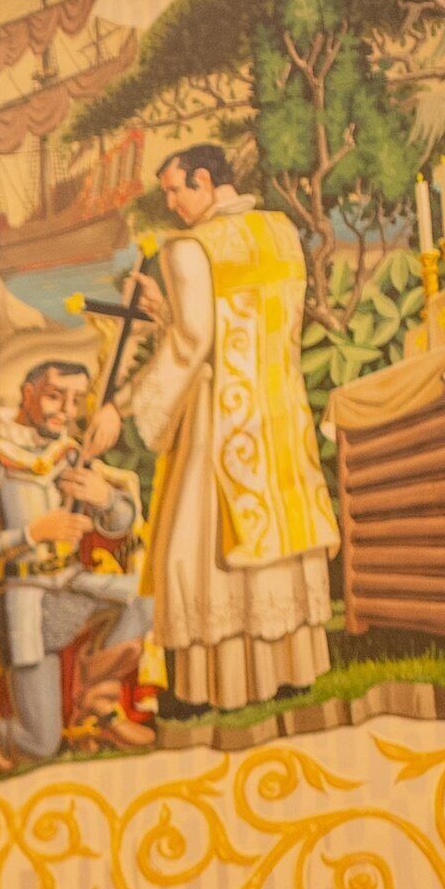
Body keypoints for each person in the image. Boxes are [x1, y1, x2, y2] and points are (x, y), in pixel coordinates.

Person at [97, 144, 337, 714]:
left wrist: (122, 406)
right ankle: (292, 671)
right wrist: (164, 313)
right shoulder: (281, 233)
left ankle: (216, 687)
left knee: (194, 548)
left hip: (218, 421)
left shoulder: (190, 249)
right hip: (278, 416)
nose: (172, 203)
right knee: (280, 538)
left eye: (176, 190)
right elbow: (241, 321)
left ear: (204, 180)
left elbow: (194, 344)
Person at [0, 360, 150, 769]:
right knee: (39, 744)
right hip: (22, 603)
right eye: (55, 397)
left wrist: (105, 498)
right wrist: (32, 534)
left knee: (144, 596)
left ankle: (97, 708)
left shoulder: (70, 453)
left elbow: (121, 526)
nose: (66, 411)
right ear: (28, 394)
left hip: (71, 584)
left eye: (75, 401)